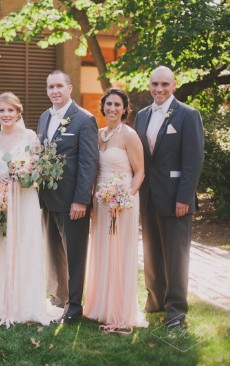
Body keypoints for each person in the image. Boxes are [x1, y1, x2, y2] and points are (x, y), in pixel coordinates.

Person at [134, 66, 204, 328]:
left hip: (176, 197)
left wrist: (185, 197)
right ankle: (156, 301)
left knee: (176, 255)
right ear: (149, 85)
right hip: (148, 196)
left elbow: (193, 160)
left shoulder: (188, 115)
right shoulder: (141, 116)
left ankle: (176, 309)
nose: (159, 89)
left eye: (164, 84)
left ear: (174, 85)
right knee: (151, 253)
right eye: (155, 84)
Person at [0, 92, 63, 328]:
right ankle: (3, 303)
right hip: (3, 199)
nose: (6, 115)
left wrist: (26, 173)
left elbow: (40, 167)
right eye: (1, 110)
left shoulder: (29, 136)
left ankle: (28, 303)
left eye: (10, 110)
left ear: (18, 112)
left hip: (27, 198)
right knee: (3, 248)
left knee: (26, 247)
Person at [83, 88, 148, 333]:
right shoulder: (99, 134)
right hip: (101, 201)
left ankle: (119, 309)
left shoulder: (129, 135)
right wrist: (92, 200)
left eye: (117, 104)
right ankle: (99, 306)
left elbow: (140, 172)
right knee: (101, 251)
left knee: (119, 252)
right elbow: (95, 171)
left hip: (123, 202)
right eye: (108, 104)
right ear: (103, 107)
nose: (112, 108)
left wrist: (124, 198)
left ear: (124, 108)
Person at [37, 70, 98, 324]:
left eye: (60, 86)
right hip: (48, 199)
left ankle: (74, 305)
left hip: (73, 201)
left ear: (70, 88)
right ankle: (58, 299)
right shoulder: (44, 117)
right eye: (51, 87)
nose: (55, 91)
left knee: (74, 255)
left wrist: (81, 199)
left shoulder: (84, 119)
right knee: (53, 253)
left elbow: (88, 163)